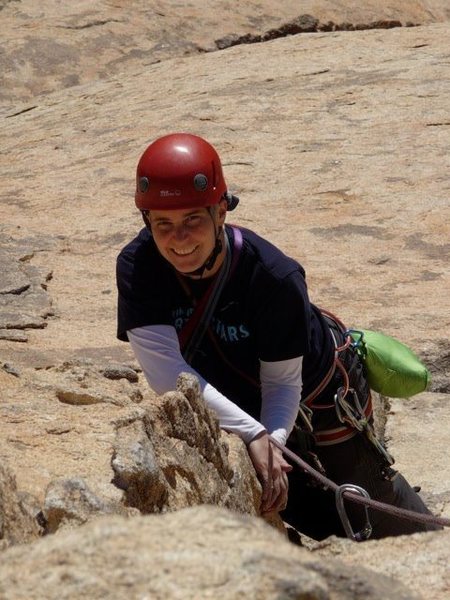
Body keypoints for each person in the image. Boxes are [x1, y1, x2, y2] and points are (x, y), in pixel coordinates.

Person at [116, 132, 440, 540]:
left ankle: (433, 543)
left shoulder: (272, 275)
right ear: (147, 221)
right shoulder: (138, 267)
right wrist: (256, 436)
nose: (179, 239)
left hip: (320, 388)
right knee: (304, 508)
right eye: (163, 223)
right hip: (237, 392)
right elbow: (166, 374)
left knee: (365, 498)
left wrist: (271, 439)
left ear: (220, 211)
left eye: (193, 220)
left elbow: (283, 381)